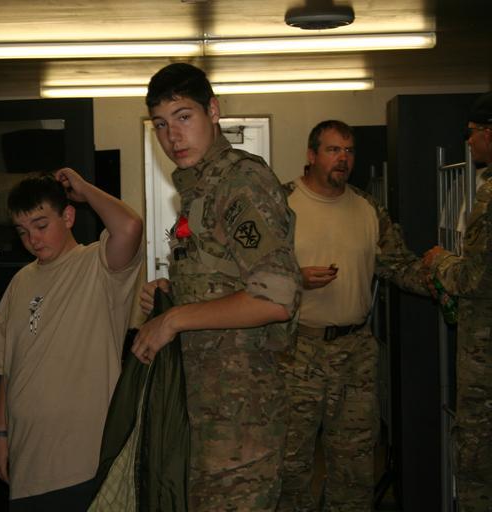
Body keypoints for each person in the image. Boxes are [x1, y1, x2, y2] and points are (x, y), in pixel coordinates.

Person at [133, 62, 302, 511]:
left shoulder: (240, 181)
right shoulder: (201, 187)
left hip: (241, 425)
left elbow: (276, 297)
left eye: (183, 117)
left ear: (213, 111)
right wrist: (171, 292)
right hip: (207, 415)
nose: (173, 137)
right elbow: (224, 278)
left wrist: (174, 319)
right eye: (161, 124)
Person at [276, 120, 428, 511]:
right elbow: (253, 274)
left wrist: (445, 277)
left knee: (355, 463)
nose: (343, 159)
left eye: (349, 151)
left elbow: (399, 265)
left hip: (355, 352)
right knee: (289, 463)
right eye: (333, 150)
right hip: (297, 351)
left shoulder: (368, 208)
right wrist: (296, 279)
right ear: (311, 155)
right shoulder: (281, 204)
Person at [0, 168, 143, 511]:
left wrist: (84, 189)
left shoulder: (99, 265)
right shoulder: (20, 282)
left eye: (41, 225)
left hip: (83, 460)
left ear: (68, 217)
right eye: (23, 231)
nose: (33, 239)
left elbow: (130, 226)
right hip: (27, 460)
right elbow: (7, 365)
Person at [422, 91, 492, 512]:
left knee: (477, 464)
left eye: (472, 132)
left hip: (485, 359)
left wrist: (439, 260)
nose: (468, 142)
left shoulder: (489, 195)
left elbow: (473, 279)